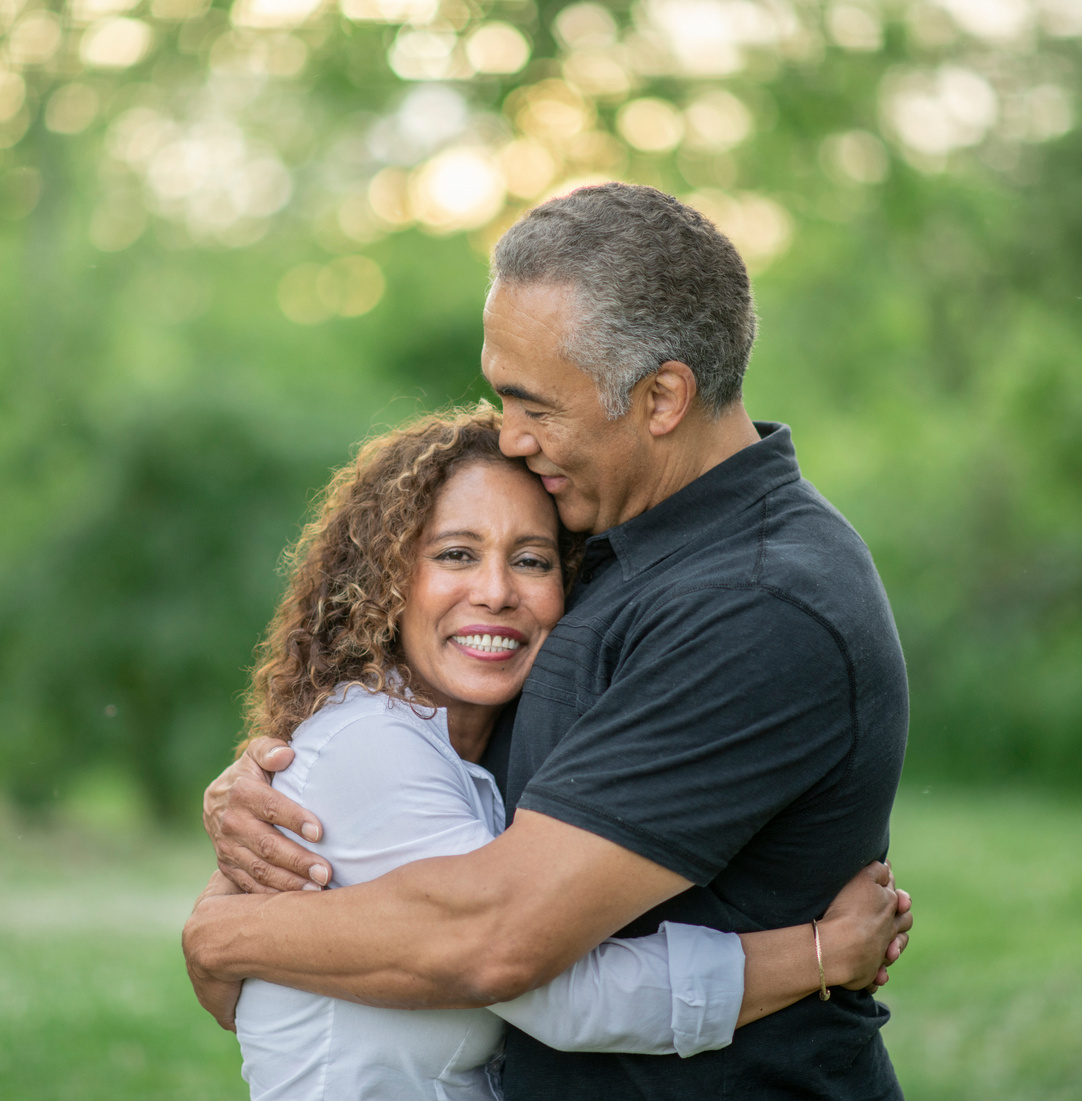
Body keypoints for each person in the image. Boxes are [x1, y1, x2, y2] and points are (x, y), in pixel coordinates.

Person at [186, 183, 912, 1100]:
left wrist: (222, 934)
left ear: (661, 397)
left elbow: (500, 940)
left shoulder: (755, 602)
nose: (511, 436)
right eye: (502, 398)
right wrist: (267, 787)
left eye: (535, 405)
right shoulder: (617, 540)